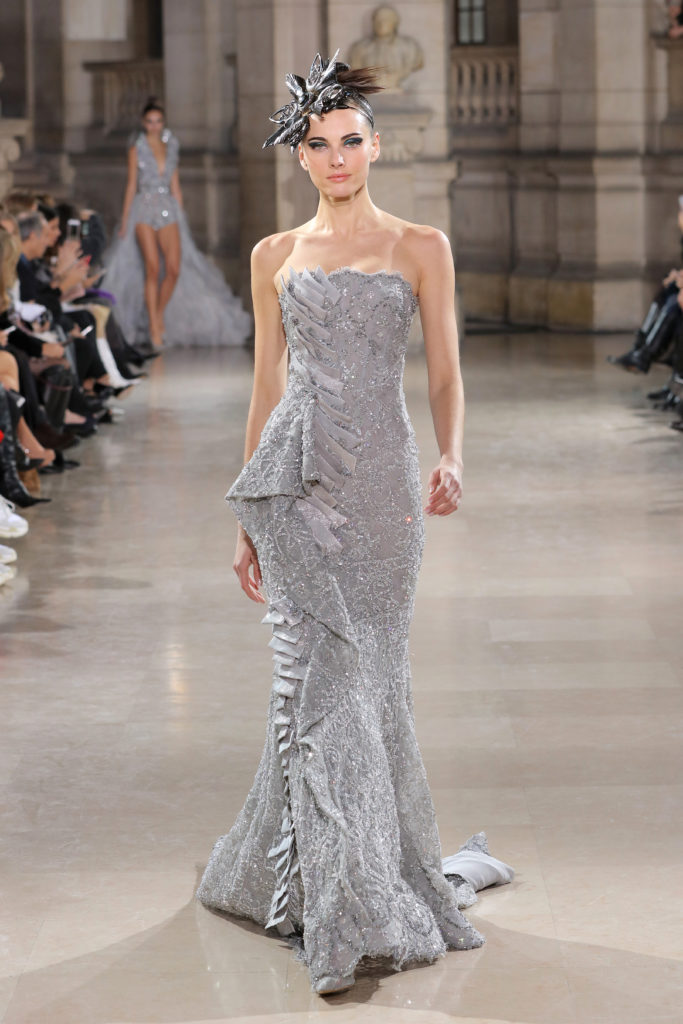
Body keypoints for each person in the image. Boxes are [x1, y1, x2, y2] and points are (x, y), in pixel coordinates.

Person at [196, 52, 513, 996]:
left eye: (349, 141)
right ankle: (339, 904)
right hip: (295, 487)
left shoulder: (422, 245)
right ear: (299, 155)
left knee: (367, 680)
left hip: (381, 493)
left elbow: (446, 370)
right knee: (313, 682)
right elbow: (265, 388)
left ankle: (358, 880)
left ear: (375, 147)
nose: (335, 157)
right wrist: (247, 516)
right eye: (317, 144)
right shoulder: (272, 255)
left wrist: (452, 456)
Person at [102, 97, 251, 351]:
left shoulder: (171, 146)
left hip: (168, 208)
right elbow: (131, 184)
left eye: (158, 121)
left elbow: (175, 184)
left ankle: (157, 315)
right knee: (152, 268)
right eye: (150, 121)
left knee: (173, 269)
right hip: (143, 208)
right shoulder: (136, 148)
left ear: (163, 122)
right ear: (143, 123)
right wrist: (126, 219)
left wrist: (180, 216)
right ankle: (154, 326)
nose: (154, 125)